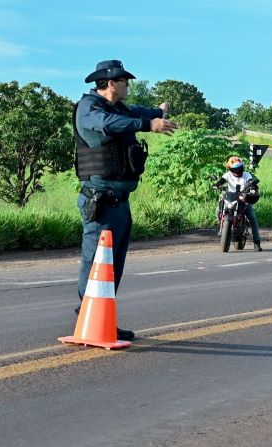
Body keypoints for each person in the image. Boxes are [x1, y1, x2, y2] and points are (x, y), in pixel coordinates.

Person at [73, 59, 177, 340]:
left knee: (113, 264)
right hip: (100, 200)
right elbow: (111, 123)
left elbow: (137, 112)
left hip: (120, 201)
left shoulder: (119, 107)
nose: (128, 85)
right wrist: (148, 124)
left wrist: (159, 112)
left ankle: (103, 315)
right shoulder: (89, 109)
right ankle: (88, 313)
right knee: (96, 261)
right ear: (110, 83)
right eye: (124, 81)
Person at [214, 156, 262, 251]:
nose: (237, 171)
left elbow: (250, 181)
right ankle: (222, 227)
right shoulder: (228, 175)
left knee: (252, 218)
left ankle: (257, 243)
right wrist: (217, 185)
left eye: (239, 168)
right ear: (230, 169)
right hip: (230, 198)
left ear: (242, 167)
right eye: (234, 169)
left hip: (243, 199)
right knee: (217, 210)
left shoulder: (246, 174)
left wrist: (252, 186)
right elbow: (221, 181)